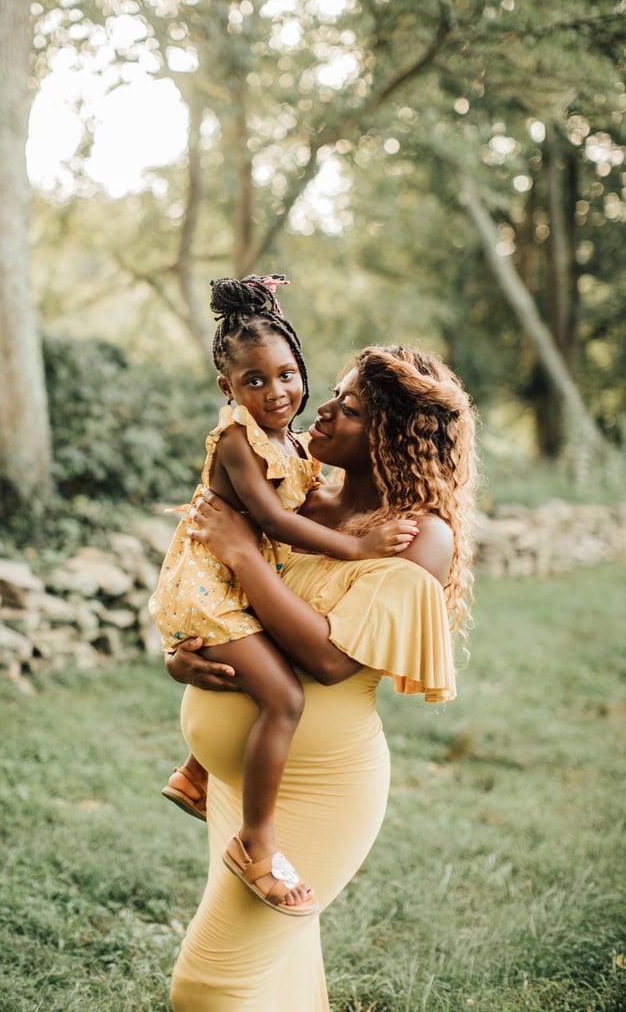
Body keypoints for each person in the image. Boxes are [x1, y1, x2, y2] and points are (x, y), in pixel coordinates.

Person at [163, 343, 477, 1011]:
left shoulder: (419, 534)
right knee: (272, 980)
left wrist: (244, 554)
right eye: (332, 392)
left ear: (393, 436)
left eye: (351, 407)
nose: (323, 409)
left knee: (208, 986)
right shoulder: (301, 496)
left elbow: (330, 659)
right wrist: (184, 657)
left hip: (319, 793)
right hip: (240, 786)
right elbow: (235, 607)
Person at [149, 276, 418, 916]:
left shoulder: (294, 445)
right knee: (284, 695)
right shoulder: (240, 441)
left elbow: (309, 511)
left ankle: (194, 773)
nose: (278, 393)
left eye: (288, 375)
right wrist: (360, 547)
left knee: (273, 654)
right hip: (208, 585)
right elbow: (272, 521)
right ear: (228, 389)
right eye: (255, 381)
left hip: (233, 582)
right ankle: (257, 844)